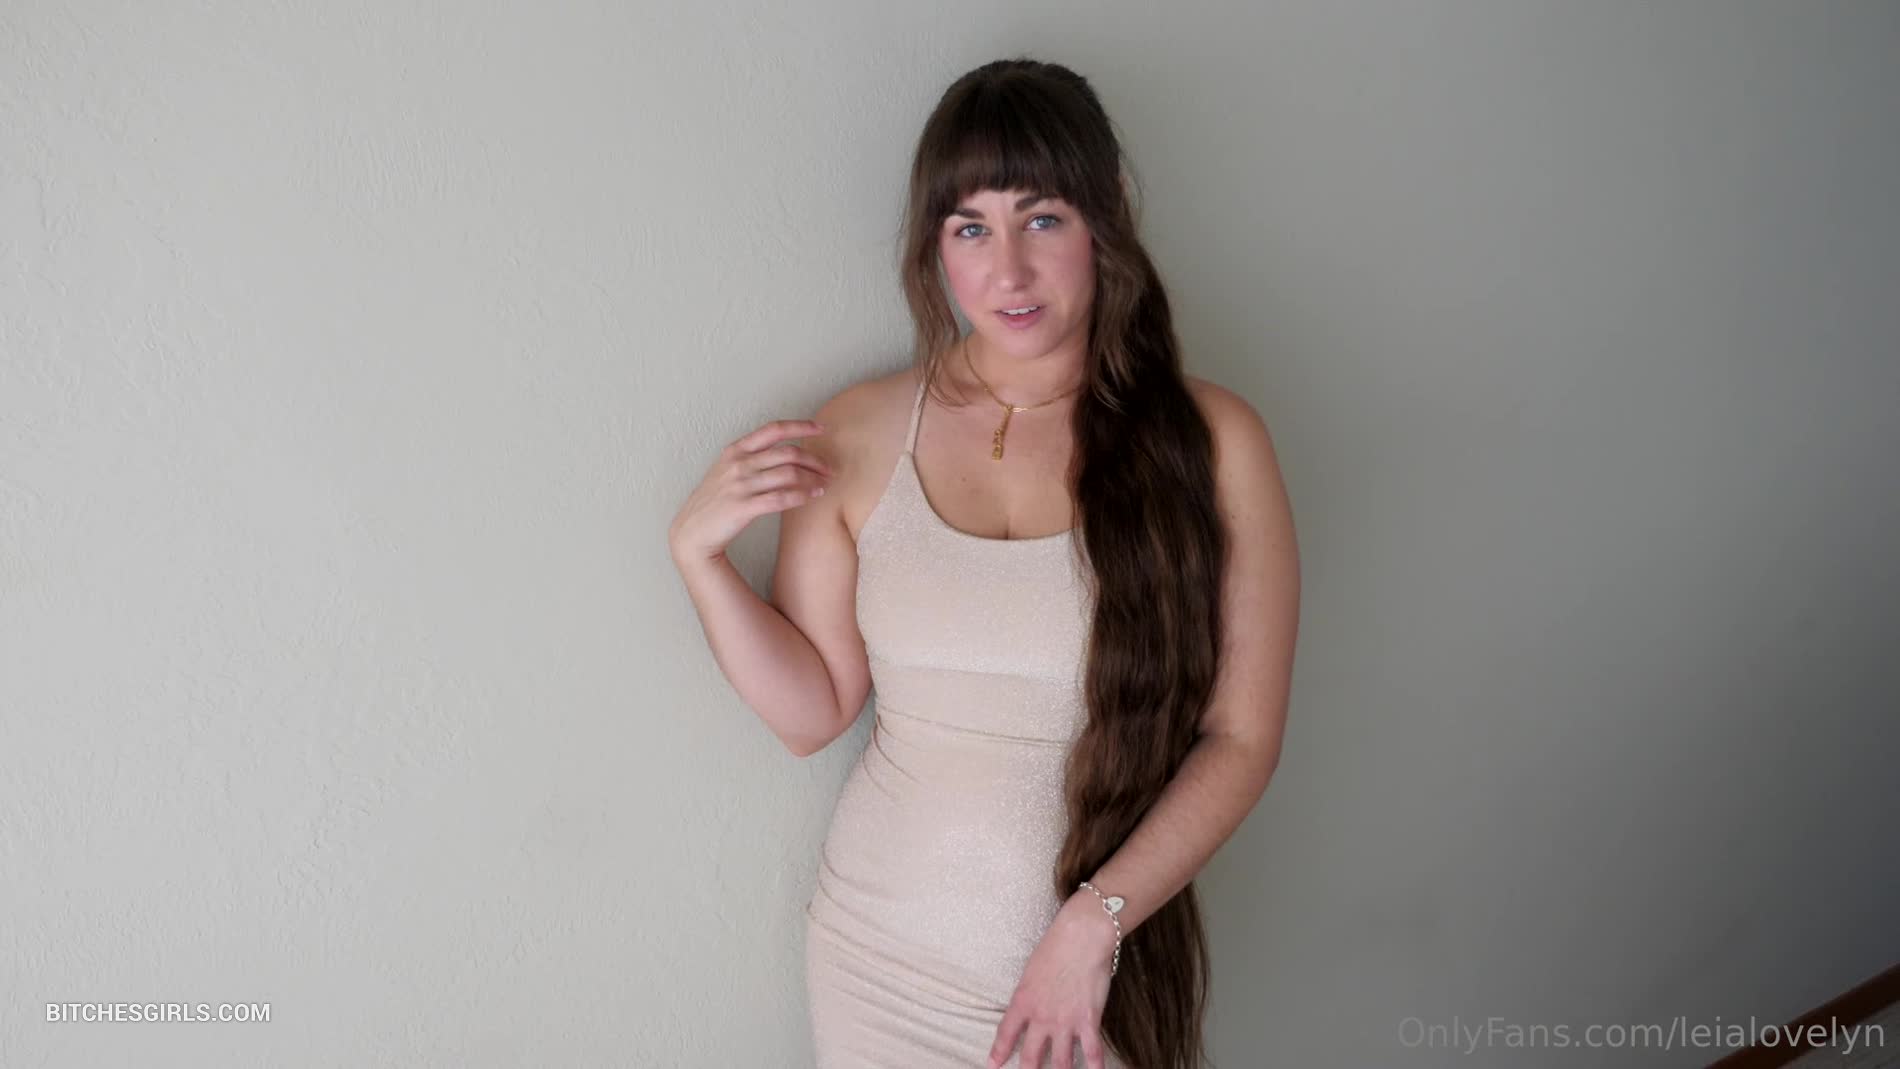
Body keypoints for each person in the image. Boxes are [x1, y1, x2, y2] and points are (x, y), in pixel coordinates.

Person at [668, 57, 1299, 1069]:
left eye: (1041, 219)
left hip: (1082, 981)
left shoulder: (1215, 443)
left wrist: (1093, 925)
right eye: (970, 229)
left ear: (1107, 213)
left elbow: (1240, 738)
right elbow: (812, 710)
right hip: (873, 958)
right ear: (935, 245)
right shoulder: (861, 429)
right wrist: (699, 557)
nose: (1007, 272)